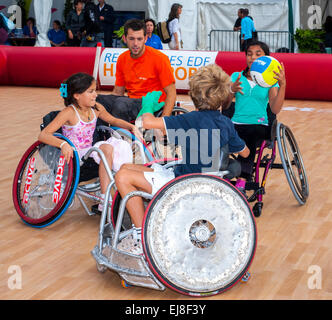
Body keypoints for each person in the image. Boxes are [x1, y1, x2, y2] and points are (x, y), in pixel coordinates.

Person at [114, 64, 249, 254]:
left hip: (183, 185)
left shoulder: (190, 119)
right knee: (127, 167)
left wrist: (148, 105)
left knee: (122, 176)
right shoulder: (225, 123)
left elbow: (147, 122)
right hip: (205, 182)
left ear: (194, 96)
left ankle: (140, 235)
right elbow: (245, 153)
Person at [38, 72, 140, 212]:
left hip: (90, 152)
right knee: (105, 148)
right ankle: (105, 199)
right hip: (75, 156)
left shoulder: (96, 108)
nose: (95, 95)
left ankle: (123, 186)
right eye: (91, 91)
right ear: (77, 95)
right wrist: (63, 144)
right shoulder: (69, 113)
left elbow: (113, 120)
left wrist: (131, 127)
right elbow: (43, 135)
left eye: (95, 91)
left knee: (122, 145)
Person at [225, 40, 286, 195]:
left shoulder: (269, 81)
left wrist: (282, 85)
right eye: (249, 54)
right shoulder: (236, 76)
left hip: (258, 126)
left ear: (266, 58)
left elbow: (275, 108)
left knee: (249, 134)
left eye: (258, 54)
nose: (252, 58)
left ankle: (241, 182)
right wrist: (231, 91)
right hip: (236, 124)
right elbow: (224, 106)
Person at [97, 19, 176, 122]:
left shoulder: (159, 59)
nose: (135, 43)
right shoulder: (122, 59)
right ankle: (99, 136)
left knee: (121, 104)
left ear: (145, 39)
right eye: (131, 39)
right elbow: (118, 92)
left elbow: (172, 94)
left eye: (139, 39)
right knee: (96, 101)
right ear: (124, 39)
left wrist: (162, 122)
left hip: (152, 104)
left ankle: (121, 136)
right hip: (131, 101)